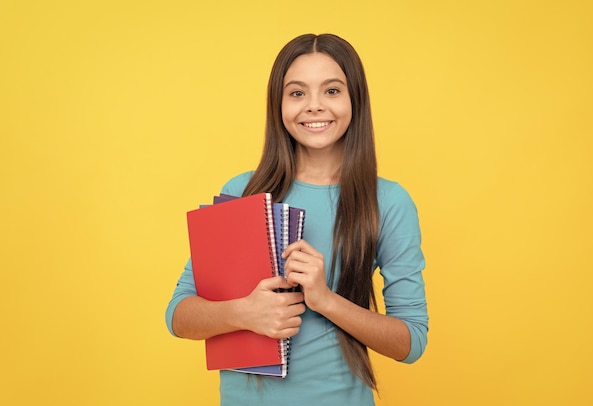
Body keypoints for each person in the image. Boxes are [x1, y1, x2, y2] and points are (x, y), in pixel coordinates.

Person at [165, 33, 428, 405]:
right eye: (297, 93)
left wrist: (324, 299)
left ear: (356, 100)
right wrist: (245, 312)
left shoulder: (387, 201)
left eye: (332, 91)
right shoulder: (244, 191)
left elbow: (411, 341)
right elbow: (179, 315)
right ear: (279, 104)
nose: (315, 106)